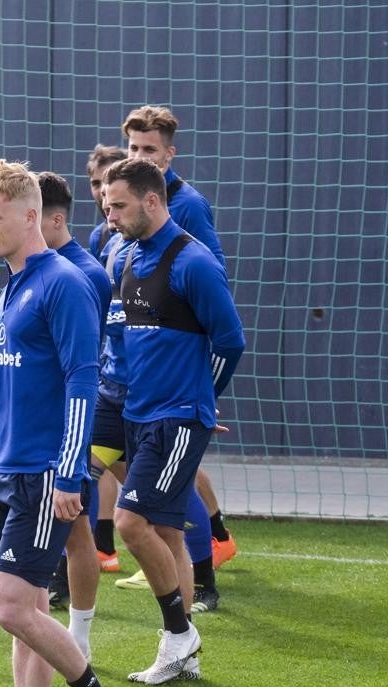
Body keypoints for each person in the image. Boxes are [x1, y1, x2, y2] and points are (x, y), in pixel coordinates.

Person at [0, 159, 116, 687]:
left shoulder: (65, 284)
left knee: (7, 607)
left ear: (32, 216)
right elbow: (2, 396)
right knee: (25, 612)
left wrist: (69, 471)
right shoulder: (9, 290)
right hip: (3, 471)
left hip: (44, 475)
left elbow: (83, 382)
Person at [103, 157, 245, 685]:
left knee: (129, 522)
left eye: (118, 205)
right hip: (139, 414)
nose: (110, 216)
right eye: (106, 206)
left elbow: (230, 340)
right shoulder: (127, 257)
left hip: (178, 419)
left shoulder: (194, 262)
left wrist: (202, 400)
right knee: (164, 530)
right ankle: (182, 654)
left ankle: (179, 633)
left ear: (152, 200)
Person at [120, 104, 238, 580]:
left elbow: (214, 274)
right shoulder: (125, 214)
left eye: (150, 149)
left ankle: (203, 564)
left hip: (180, 371)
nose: (140, 155)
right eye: (132, 146)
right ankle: (182, 551)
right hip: (136, 388)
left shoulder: (185, 207)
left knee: (161, 476)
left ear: (169, 154)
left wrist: (203, 387)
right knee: (133, 470)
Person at [34, 171, 109, 663]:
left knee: (78, 529)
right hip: (34, 422)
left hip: (70, 423)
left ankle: (78, 634)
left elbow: (82, 363)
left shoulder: (85, 274)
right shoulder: (31, 265)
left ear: (54, 218)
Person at [82, 145, 128, 575]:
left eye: (110, 187)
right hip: (111, 386)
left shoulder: (176, 239)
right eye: (96, 186)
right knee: (89, 469)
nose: (102, 195)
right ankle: (98, 550)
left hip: (148, 391)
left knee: (152, 497)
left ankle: (209, 554)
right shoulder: (101, 239)